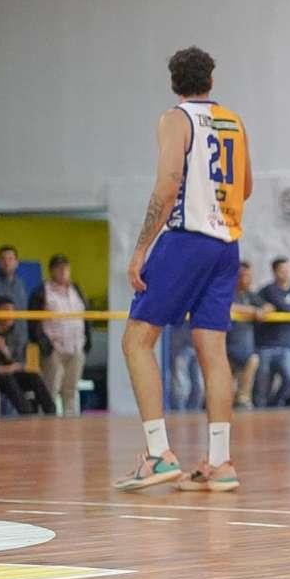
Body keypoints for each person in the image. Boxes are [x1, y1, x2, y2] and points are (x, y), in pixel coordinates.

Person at [112, 45, 251, 493]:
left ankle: (158, 454)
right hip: (227, 246)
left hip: (186, 239)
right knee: (213, 350)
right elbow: (246, 186)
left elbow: (168, 185)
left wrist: (140, 250)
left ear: (174, 83)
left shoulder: (175, 119)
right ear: (211, 80)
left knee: (136, 341)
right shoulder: (234, 122)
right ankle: (220, 462)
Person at [29, 253, 92, 416]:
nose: (63, 271)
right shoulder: (42, 291)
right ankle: (46, 425)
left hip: (76, 347)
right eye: (59, 268)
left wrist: (87, 341)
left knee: (71, 390)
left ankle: (70, 425)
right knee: (50, 389)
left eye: (66, 268)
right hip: (54, 349)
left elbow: (86, 316)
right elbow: (33, 323)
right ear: (51, 271)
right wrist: (45, 345)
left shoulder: (76, 289)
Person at [253, 257, 290, 408]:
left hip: (285, 346)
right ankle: (260, 410)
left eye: (289, 270)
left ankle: (275, 404)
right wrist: (288, 310)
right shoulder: (267, 290)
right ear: (275, 272)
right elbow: (282, 306)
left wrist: (289, 310)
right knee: (262, 383)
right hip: (265, 346)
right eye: (283, 270)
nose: (287, 273)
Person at [0, 297, 56, 415]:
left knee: (33, 376)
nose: (11, 315)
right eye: (6, 310)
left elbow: (16, 361)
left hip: (9, 370)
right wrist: (1, 369)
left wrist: (5, 352)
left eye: (12, 311)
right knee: (8, 379)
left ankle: (51, 413)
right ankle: (28, 415)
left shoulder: (14, 333)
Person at [226, 261, 263, 408]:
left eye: (248, 276)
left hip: (245, 349)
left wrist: (263, 311)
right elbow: (228, 307)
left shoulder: (250, 295)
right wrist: (253, 311)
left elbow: (268, 306)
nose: (247, 279)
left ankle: (243, 400)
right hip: (226, 347)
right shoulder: (228, 293)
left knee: (253, 361)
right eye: (242, 275)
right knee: (226, 388)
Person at [0, 245, 29, 349]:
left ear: (17, 262)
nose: (7, 263)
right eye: (3, 259)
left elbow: (23, 313)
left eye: (10, 259)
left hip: (21, 343)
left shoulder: (20, 284)